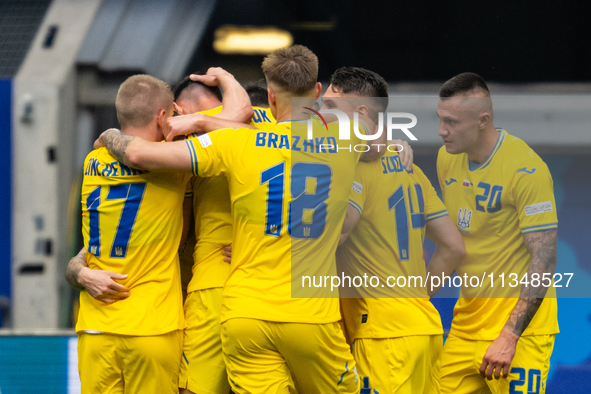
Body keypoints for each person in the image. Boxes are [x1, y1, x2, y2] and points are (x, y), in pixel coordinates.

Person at [94, 44, 388, 394]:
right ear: (319, 91)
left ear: (270, 95)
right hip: (312, 313)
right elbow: (377, 140)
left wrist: (111, 135)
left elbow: (139, 153)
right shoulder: (343, 135)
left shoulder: (233, 142)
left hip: (237, 303)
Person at [329, 67, 465, 394]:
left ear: (360, 113)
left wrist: (270, 241)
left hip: (382, 334)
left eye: (331, 106)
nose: (322, 113)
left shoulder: (355, 164)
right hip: (424, 327)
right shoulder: (410, 168)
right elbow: (454, 248)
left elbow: (335, 235)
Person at [435, 72, 558, 393]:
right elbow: (453, 246)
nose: (441, 131)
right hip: (465, 329)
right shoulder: (446, 160)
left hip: (518, 335)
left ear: (482, 120)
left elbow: (544, 260)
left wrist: (509, 337)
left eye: (451, 122)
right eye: (440, 119)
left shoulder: (525, 169)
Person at [71, 74, 191, 394]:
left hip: (95, 328)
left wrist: (109, 133)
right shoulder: (172, 158)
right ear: (163, 116)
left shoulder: (92, 160)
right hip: (152, 327)